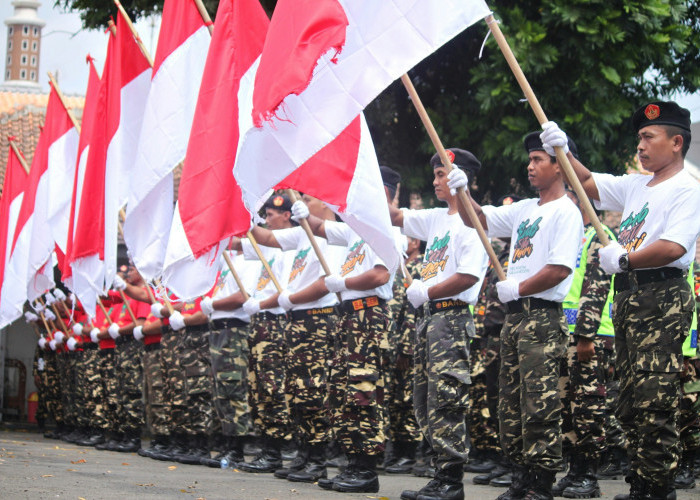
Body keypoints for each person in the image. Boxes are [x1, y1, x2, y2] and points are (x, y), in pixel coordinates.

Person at [542, 101, 700, 499]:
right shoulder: (635, 186)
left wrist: (625, 258)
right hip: (630, 298)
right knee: (629, 399)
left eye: (649, 137)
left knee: (655, 398)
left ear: (676, 142)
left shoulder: (688, 189)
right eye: (639, 139)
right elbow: (589, 184)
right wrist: (564, 151)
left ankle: (658, 486)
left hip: (661, 296)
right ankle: (641, 482)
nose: (641, 146)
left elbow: (672, 247)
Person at [448, 133, 584, 499]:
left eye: (539, 158)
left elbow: (558, 270)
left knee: (538, 402)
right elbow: (477, 220)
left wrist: (520, 288)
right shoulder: (525, 208)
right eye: (530, 159)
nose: (530, 165)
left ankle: (541, 481)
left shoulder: (567, 211)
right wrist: (463, 191)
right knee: (509, 401)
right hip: (514, 318)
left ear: (559, 164)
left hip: (541, 317)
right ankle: (521, 474)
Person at [290, 166, 400, 493]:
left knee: (362, 391)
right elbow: (320, 227)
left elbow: (380, 276)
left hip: (368, 317)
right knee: (341, 392)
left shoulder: (386, 231)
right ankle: (352, 462)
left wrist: (344, 282)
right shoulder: (354, 230)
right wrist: (301, 211)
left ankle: (366, 468)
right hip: (348, 318)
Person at [388, 149, 489, 500]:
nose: (435, 182)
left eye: (441, 175)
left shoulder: (474, 223)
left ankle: (450, 481)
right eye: (434, 175)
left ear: (463, 177)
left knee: (447, 399)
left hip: (451, 316)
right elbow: (393, 216)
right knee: (424, 401)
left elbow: (468, 276)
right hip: (429, 319)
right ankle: (438, 473)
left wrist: (426, 290)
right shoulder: (435, 218)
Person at [240, 194, 344, 483]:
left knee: (314, 391)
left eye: (309, 199)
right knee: (295, 392)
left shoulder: (332, 237)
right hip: (295, 322)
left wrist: (290, 298)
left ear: (326, 203)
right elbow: (268, 238)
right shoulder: (302, 235)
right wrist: (245, 216)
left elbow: (325, 283)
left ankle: (318, 458)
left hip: (318, 320)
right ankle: (304, 452)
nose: (304, 203)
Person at [554, 190, 616, 498]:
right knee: (567, 404)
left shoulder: (598, 236)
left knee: (589, 406)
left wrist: (586, 334)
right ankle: (574, 469)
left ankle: (589, 474)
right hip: (566, 331)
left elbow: (596, 284)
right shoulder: (572, 237)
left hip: (589, 336)